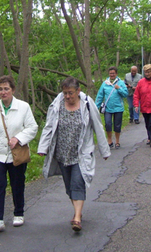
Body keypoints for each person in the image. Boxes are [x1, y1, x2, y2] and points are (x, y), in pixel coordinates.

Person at [38, 77, 111, 232]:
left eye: (70, 93)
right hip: (62, 152)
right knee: (69, 186)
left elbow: (98, 126)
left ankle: (77, 217)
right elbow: (49, 126)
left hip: (81, 153)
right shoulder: (57, 105)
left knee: (78, 182)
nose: (68, 96)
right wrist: (42, 147)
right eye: (65, 93)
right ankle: (78, 211)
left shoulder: (87, 104)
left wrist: (104, 150)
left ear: (78, 91)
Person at [0, 75, 38, 233]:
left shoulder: (23, 107)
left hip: (17, 153)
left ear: (12, 90)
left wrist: (18, 138)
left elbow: (32, 128)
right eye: (0, 89)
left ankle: (19, 213)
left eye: (6, 89)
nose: (3, 92)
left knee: (17, 183)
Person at [95, 66, 128, 149]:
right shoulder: (105, 83)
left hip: (118, 108)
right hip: (108, 108)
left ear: (116, 74)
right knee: (108, 124)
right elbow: (100, 96)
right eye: (110, 73)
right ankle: (109, 140)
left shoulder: (120, 83)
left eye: (113, 73)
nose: (112, 75)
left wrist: (119, 89)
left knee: (117, 125)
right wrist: (95, 107)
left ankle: (117, 141)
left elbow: (125, 94)